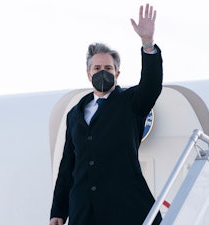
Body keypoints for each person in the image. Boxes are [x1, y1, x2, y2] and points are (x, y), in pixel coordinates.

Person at [49, 3, 163, 225]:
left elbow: (151, 85)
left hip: (124, 210)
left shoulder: (131, 103)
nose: (103, 73)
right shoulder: (75, 113)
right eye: (97, 69)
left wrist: (147, 44)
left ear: (117, 73)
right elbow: (68, 166)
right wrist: (58, 211)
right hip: (84, 212)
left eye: (108, 69)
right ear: (88, 73)